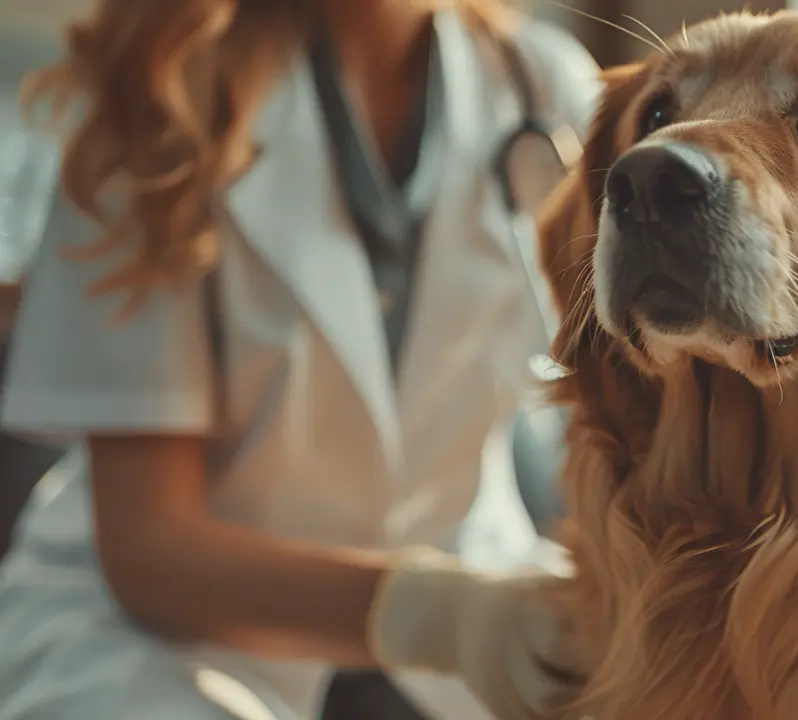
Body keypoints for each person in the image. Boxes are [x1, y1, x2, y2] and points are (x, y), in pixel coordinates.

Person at [0, 0, 601, 718]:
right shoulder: (156, 99)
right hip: (164, 639)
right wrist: (440, 614)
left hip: (482, 600)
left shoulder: (545, 87)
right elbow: (148, 550)